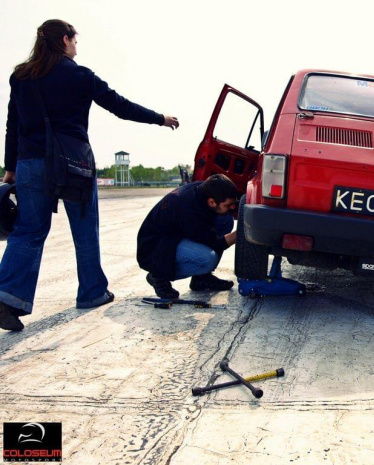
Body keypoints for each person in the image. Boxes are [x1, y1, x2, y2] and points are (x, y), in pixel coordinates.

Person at [0, 20, 179, 331]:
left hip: (30, 162)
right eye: (75, 41)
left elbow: (12, 125)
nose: (75, 48)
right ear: (66, 40)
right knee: (85, 232)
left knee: (27, 231)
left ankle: (6, 299)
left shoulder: (21, 76)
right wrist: (159, 119)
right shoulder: (79, 74)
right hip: (74, 165)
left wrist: (10, 168)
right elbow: (120, 106)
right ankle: (92, 292)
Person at [137, 174, 238, 299]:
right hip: (154, 248)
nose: (233, 207)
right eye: (228, 205)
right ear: (212, 202)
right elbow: (215, 243)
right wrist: (240, 233)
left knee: (226, 219)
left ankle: (201, 279)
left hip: (175, 234)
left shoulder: (204, 190)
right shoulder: (190, 211)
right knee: (207, 259)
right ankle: (158, 275)